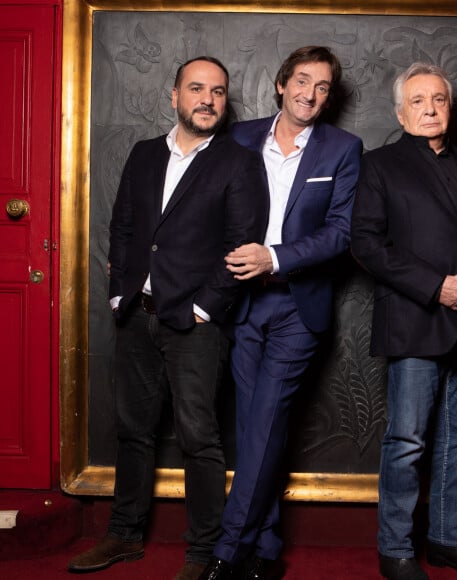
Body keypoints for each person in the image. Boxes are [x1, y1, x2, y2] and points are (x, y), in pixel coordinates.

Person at [67, 56, 268, 580]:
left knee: (199, 438)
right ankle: (125, 535)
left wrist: (204, 308)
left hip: (196, 324)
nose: (208, 99)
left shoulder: (239, 163)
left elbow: (241, 244)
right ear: (173, 96)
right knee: (132, 430)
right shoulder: (143, 154)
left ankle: (203, 553)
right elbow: (124, 227)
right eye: (197, 89)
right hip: (136, 314)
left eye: (219, 92)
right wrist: (118, 295)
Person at [350, 62, 457, 580]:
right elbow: (366, 245)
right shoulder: (379, 166)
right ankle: (396, 549)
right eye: (419, 100)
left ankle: (449, 541)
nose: (430, 108)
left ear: (451, 107)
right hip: (415, 319)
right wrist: (437, 287)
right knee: (407, 442)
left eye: (439, 99)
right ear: (401, 111)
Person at [198, 46, 363, 580]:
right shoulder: (239, 137)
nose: (309, 94)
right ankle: (266, 548)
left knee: (265, 420)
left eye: (321, 87)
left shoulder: (343, 148)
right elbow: (210, 209)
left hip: (298, 304)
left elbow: (341, 233)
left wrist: (275, 257)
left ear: (329, 96)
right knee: (252, 427)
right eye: (301, 81)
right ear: (280, 84)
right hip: (239, 301)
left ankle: (229, 550)